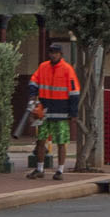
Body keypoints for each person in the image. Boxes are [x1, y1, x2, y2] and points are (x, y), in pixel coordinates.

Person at [26, 41, 79, 179]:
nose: (53, 55)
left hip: (61, 112)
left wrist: (73, 113)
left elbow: (74, 92)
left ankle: (60, 171)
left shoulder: (67, 69)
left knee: (61, 142)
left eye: (56, 53)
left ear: (61, 54)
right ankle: (39, 169)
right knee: (41, 140)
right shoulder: (43, 67)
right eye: (51, 52)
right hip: (43, 111)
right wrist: (33, 95)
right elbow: (33, 81)